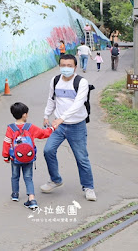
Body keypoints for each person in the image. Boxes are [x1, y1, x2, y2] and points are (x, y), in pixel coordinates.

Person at [41, 54, 96, 201]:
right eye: (63, 65)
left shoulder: (81, 82)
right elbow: (51, 99)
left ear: (75, 67)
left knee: (81, 158)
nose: (66, 68)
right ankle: (55, 179)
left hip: (77, 126)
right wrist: (46, 115)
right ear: (60, 66)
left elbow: (78, 104)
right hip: (59, 126)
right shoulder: (55, 80)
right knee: (48, 150)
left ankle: (88, 187)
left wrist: (61, 118)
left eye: (69, 66)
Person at [2, 102, 55, 210]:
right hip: (29, 157)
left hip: (15, 157)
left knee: (15, 176)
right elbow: (43, 133)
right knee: (28, 178)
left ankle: (15, 194)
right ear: (24, 115)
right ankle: (32, 199)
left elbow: (6, 142)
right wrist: (52, 128)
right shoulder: (30, 127)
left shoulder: (10, 128)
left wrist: (5, 156)